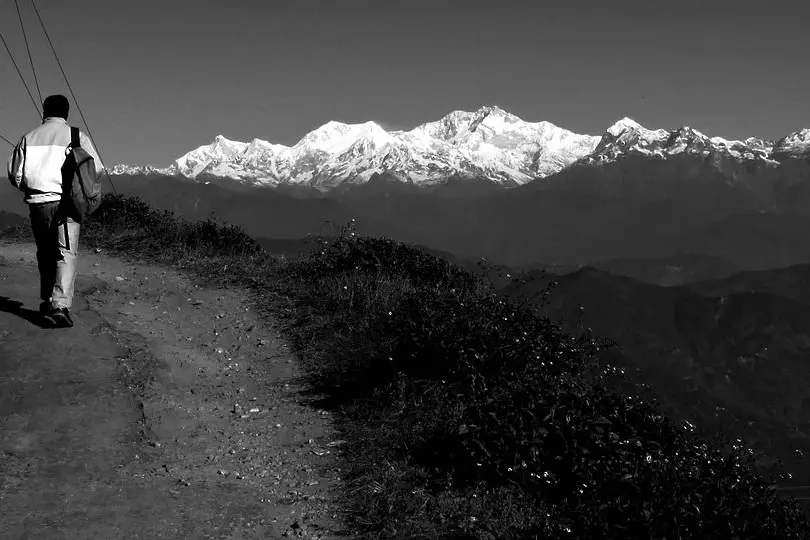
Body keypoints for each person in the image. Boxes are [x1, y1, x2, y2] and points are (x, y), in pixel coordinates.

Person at [6, 94, 104, 328]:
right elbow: (96, 168)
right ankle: (60, 306)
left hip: (38, 204)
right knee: (65, 254)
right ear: (67, 113)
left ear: (44, 111)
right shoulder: (76, 136)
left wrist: (31, 188)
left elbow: (15, 174)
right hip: (67, 203)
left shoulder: (28, 138)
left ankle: (48, 299)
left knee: (46, 252)